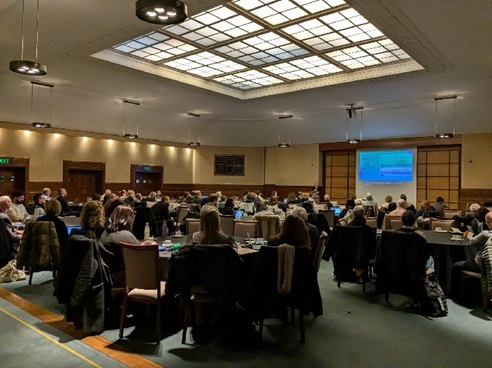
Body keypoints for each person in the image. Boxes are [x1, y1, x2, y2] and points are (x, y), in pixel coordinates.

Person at [100, 205, 139, 287]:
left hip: (108, 275)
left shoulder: (105, 233)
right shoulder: (126, 235)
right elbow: (141, 255)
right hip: (122, 277)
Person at [397, 211, 434, 275]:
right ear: (414, 222)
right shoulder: (419, 237)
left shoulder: (391, 235)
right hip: (414, 271)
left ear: (402, 221)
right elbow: (426, 256)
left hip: (395, 267)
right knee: (430, 259)